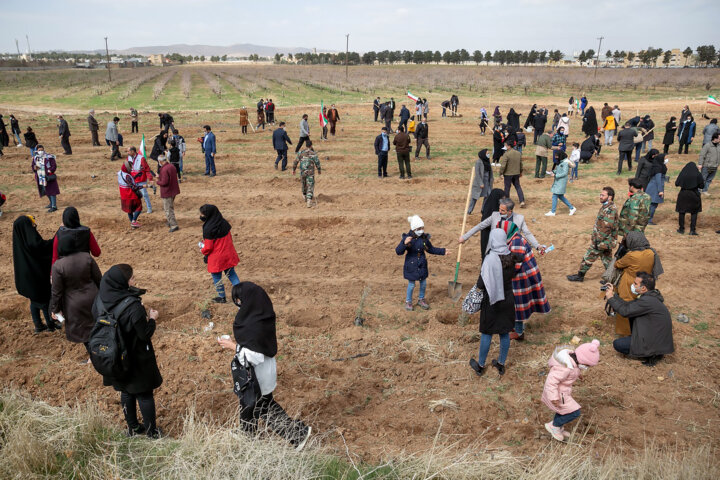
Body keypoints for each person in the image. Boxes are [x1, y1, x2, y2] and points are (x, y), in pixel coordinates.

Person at [217, 282, 312, 450]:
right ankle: (247, 434)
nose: (238, 303)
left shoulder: (253, 325)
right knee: (249, 403)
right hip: (265, 371)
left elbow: (254, 356)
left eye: (239, 300)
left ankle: (298, 436)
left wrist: (232, 346)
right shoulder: (261, 316)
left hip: (258, 375)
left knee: (263, 407)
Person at [92, 264, 162, 437]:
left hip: (114, 355)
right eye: (131, 278)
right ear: (121, 282)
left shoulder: (101, 299)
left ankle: (133, 429)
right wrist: (152, 319)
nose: (134, 280)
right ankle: (152, 433)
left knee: (126, 391)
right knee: (144, 395)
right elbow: (145, 335)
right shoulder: (132, 306)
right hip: (136, 357)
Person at [468, 229, 521, 377]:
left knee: (487, 333)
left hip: (491, 301)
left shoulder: (490, 259)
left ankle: (480, 365)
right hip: (508, 300)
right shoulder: (511, 257)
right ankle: (501, 363)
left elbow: (481, 283)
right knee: (504, 333)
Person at [605, 272, 674, 367]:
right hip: (656, 340)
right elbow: (629, 306)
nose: (632, 285)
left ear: (643, 288)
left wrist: (611, 299)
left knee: (618, 344)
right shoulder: (650, 298)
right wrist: (614, 295)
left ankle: (651, 354)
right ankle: (653, 351)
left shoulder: (647, 301)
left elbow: (625, 311)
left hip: (653, 343)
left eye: (635, 284)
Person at [50, 233, 101, 358]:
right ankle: (101, 352)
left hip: (73, 304)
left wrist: (55, 309)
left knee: (84, 332)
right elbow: (99, 279)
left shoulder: (58, 266)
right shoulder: (86, 257)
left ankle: (94, 357)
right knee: (97, 325)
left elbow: (56, 291)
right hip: (93, 298)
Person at [497, 220, 550, 340]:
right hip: (522, 274)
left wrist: (504, 274)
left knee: (517, 304)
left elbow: (515, 263)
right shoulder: (513, 237)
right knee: (515, 304)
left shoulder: (516, 242)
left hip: (521, 277)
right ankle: (515, 327)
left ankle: (519, 332)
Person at [541, 340, 600, 441]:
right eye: (587, 365)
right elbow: (551, 382)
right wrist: (553, 397)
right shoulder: (565, 368)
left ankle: (558, 427)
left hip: (563, 393)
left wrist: (578, 374)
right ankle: (554, 426)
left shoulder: (572, 361)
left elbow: (574, 369)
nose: (586, 368)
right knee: (574, 412)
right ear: (582, 360)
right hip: (558, 394)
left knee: (564, 410)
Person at [13, 215, 60, 334]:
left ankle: (38, 325)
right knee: (44, 302)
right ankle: (51, 325)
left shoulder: (20, 241)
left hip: (25, 279)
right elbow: (43, 247)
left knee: (34, 302)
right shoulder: (32, 242)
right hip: (36, 278)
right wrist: (58, 235)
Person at [613, 231, 663, 335]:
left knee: (625, 305)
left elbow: (617, 264)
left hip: (629, 283)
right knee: (641, 306)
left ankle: (625, 332)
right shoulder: (651, 252)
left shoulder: (632, 255)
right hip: (645, 283)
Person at [396, 215, 448, 311]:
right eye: (419, 228)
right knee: (411, 285)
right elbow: (398, 252)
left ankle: (421, 299)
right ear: (414, 229)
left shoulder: (424, 239)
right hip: (411, 266)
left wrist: (443, 251)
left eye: (422, 228)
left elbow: (431, 249)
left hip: (422, 265)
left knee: (423, 284)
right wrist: (404, 244)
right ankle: (408, 302)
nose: (421, 230)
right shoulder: (407, 239)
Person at [567, 187, 619, 282]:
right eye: (600, 194)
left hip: (602, 241)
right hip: (606, 241)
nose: (600, 196)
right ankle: (612, 279)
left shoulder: (610, 209)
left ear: (610, 197)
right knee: (607, 260)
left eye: (603, 195)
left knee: (588, 257)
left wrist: (597, 240)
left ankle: (580, 276)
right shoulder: (607, 207)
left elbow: (606, 228)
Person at [460, 197, 544, 255]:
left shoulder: (519, 219)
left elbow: (527, 233)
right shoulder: (494, 216)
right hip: (495, 251)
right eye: (499, 209)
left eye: (502, 210)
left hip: (511, 252)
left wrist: (537, 245)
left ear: (510, 211)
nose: (499, 211)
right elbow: (480, 226)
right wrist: (465, 237)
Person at [199, 204, 240, 303]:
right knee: (231, 274)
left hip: (217, 258)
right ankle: (241, 295)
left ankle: (222, 297)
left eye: (203, 214)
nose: (201, 216)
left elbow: (208, 247)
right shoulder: (224, 223)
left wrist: (202, 249)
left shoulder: (209, 229)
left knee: (217, 277)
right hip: (228, 254)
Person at [675, 161, 704, 235]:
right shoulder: (698, 174)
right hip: (694, 195)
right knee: (694, 213)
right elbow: (702, 186)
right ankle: (692, 230)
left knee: (681, 212)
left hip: (683, 194)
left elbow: (676, 183)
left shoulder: (683, 173)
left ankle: (681, 229)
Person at [545, 151, 576, 216]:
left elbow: (564, 173)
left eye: (556, 156)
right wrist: (553, 171)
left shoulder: (565, 163)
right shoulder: (562, 162)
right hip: (559, 181)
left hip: (561, 181)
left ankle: (553, 211)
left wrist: (556, 175)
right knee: (560, 196)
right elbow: (559, 170)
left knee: (555, 195)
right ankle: (571, 208)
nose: (555, 157)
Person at [31, 145, 60, 212]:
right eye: (39, 150)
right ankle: (51, 203)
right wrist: (34, 168)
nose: (41, 151)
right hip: (40, 177)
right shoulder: (35, 158)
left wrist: (50, 170)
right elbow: (33, 166)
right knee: (46, 190)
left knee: (52, 191)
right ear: (37, 151)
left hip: (48, 177)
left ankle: (54, 206)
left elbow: (54, 166)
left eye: (42, 150)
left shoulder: (49, 157)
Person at [156, 155, 180, 232]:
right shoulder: (171, 166)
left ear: (160, 161)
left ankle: (173, 225)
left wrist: (157, 181)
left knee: (168, 209)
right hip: (173, 190)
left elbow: (164, 182)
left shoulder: (164, 169)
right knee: (170, 207)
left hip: (167, 191)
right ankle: (170, 222)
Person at [118, 159, 143, 228]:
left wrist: (136, 176)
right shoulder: (127, 176)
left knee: (129, 210)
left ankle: (132, 224)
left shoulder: (120, 173)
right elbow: (134, 187)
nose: (131, 169)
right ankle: (133, 221)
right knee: (139, 207)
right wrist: (143, 186)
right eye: (130, 168)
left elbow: (127, 182)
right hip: (130, 195)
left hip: (123, 195)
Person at [128, 147, 154, 214]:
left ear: (133, 151)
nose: (127, 153)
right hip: (133, 180)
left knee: (144, 194)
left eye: (128, 151)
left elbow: (147, 168)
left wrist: (150, 178)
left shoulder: (141, 158)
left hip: (141, 179)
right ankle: (139, 209)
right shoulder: (129, 158)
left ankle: (149, 208)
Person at [645, 154, 667, 225]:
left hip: (651, 186)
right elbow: (658, 180)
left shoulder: (655, 166)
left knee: (650, 204)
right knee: (653, 205)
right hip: (655, 188)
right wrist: (660, 191)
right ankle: (649, 220)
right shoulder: (659, 168)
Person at [468, 150, 493, 214]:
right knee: (475, 197)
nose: (488, 154)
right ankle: (469, 210)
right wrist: (480, 183)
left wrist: (491, 180)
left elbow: (490, 172)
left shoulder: (488, 161)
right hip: (480, 183)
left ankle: (483, 210)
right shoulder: (478, 162)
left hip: (487, 182)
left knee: (487, 196)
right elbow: (477, 173)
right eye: (487, 153)